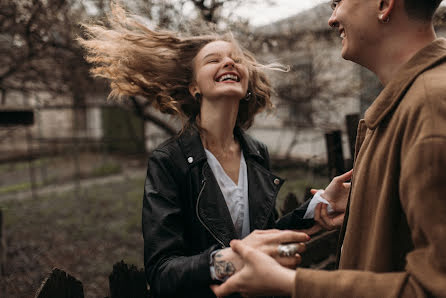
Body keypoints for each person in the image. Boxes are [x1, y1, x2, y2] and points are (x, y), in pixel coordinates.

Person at [78, 4, 352, 298]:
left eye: (236, 59)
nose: (229, 63)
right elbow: (162, 273)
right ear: (195, 87)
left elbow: (262, 237)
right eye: (213, 59)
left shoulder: (256, 152)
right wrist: (226, 263)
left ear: (246, 84)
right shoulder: (169, 161)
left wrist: (319, 206)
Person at [211, 0, 446, 297]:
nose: (331, 19)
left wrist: (291, 284)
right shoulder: (412, 104)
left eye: (338, 2)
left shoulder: (431, 108)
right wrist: (368, 206)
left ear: (384, 4)